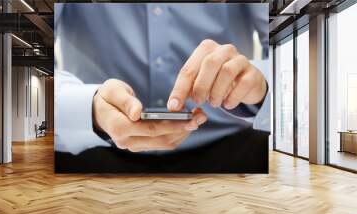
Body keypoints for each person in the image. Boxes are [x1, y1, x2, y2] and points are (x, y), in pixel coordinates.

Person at [54, 3, 270, 157]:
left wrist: (262, 85)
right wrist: (87, 107)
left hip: (233, 144)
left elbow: (288, 39)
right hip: (93, 143)